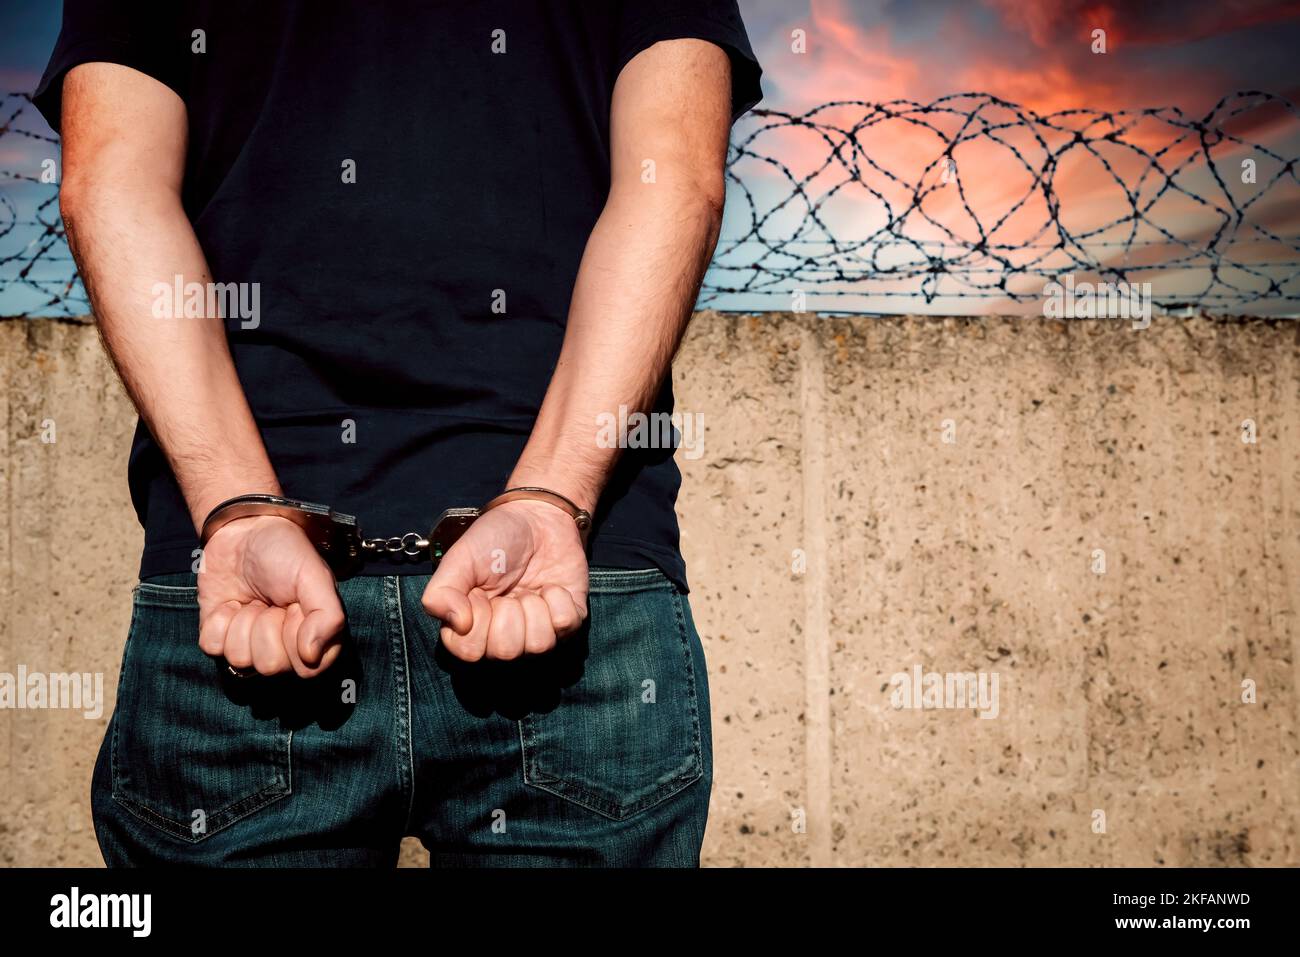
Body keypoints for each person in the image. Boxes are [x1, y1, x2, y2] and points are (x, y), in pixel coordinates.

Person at [35, 0, 762, 867]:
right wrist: (550, 494)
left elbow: (112, 182)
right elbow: (674, 176)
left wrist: (238, 509)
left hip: (252, 601)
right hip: (572, 577)